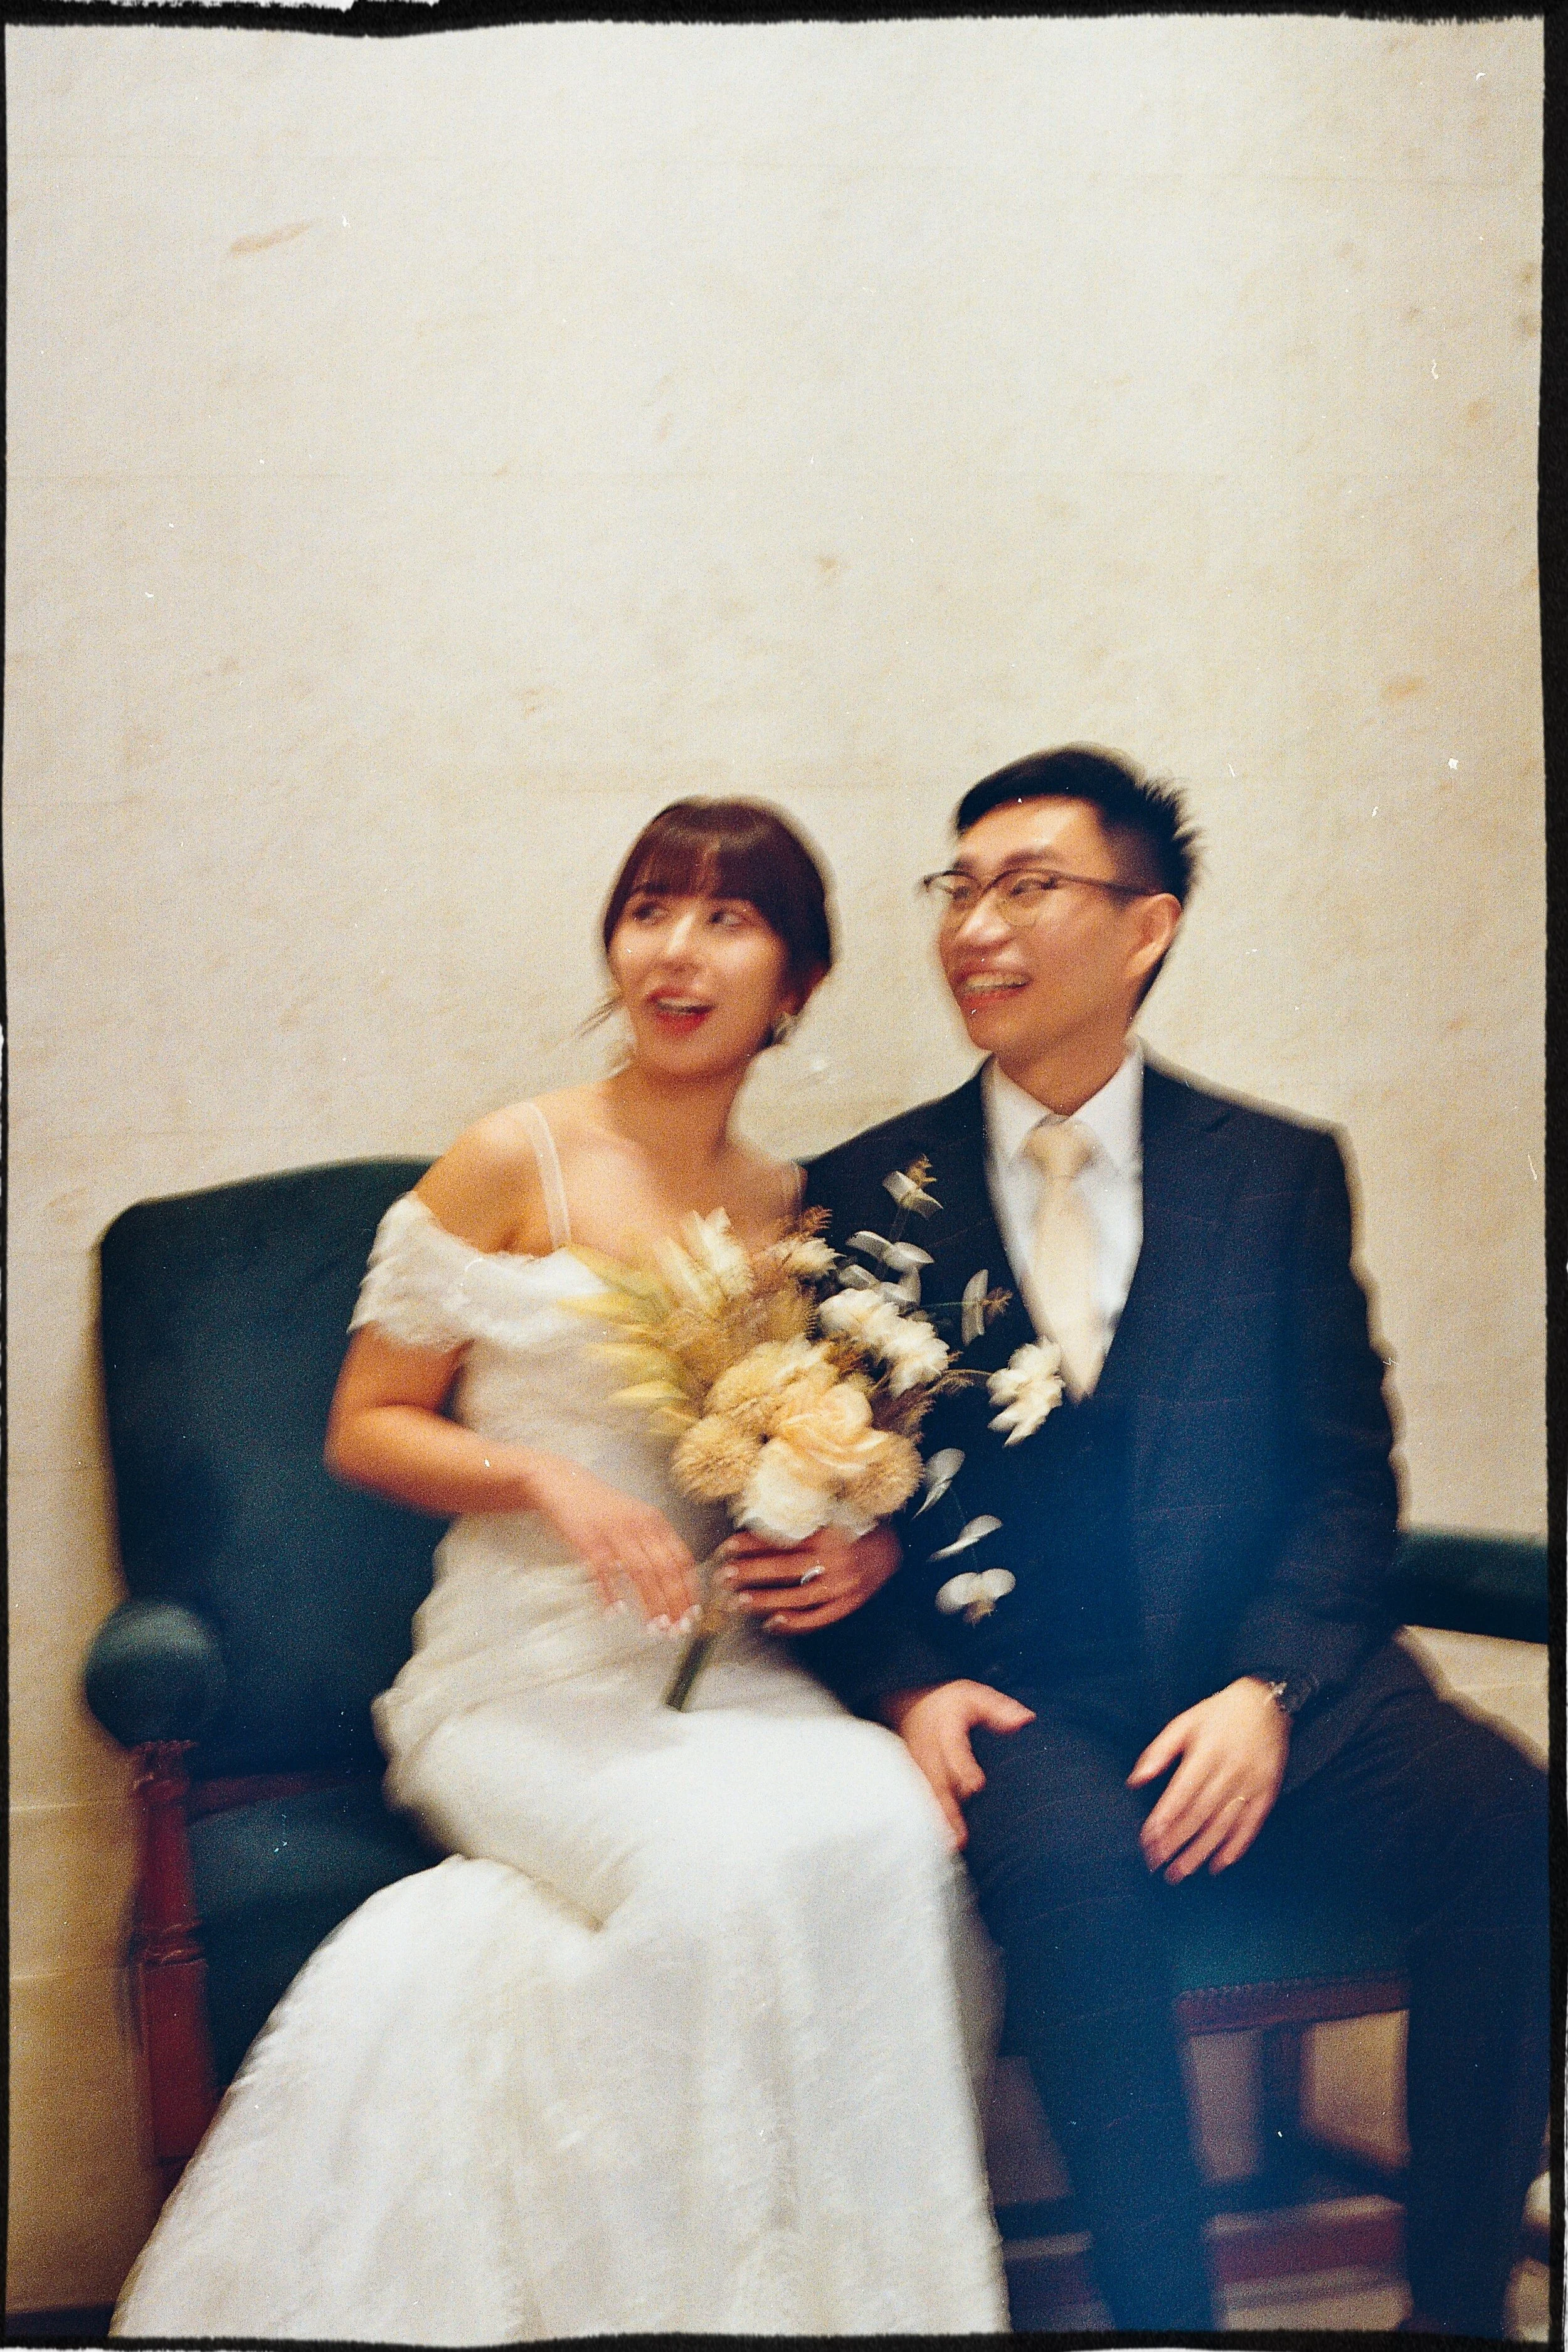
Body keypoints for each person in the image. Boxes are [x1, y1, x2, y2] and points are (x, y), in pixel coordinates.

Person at [110, 798, 1007, 2343]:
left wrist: (842, 1531)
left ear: (791, 984)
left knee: (891, 1832)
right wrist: (539, 1475)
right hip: (518, 1676)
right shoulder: (505, 1157)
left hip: (729, 1672)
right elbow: (364, 1425)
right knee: (718, 1871)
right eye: (650, 908)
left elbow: (792, 1464)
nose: (676, 948)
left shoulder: (792, 1212)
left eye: (727, 920)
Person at [731, 746, 1549, 2336]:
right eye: (956, 889)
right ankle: (1162, 2314)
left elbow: (1341, 1480)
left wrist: (1269, 1689)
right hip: (1022, 1692)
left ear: (1144, 926)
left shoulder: (1275, 1171)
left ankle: (1455, 2309)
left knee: (1504, 1816)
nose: (976, 925)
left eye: (1026, 885)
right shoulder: (859, 1196)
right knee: (1068, 1879)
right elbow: (810, 1508)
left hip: (1263, 1672)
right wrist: (904, 1684)